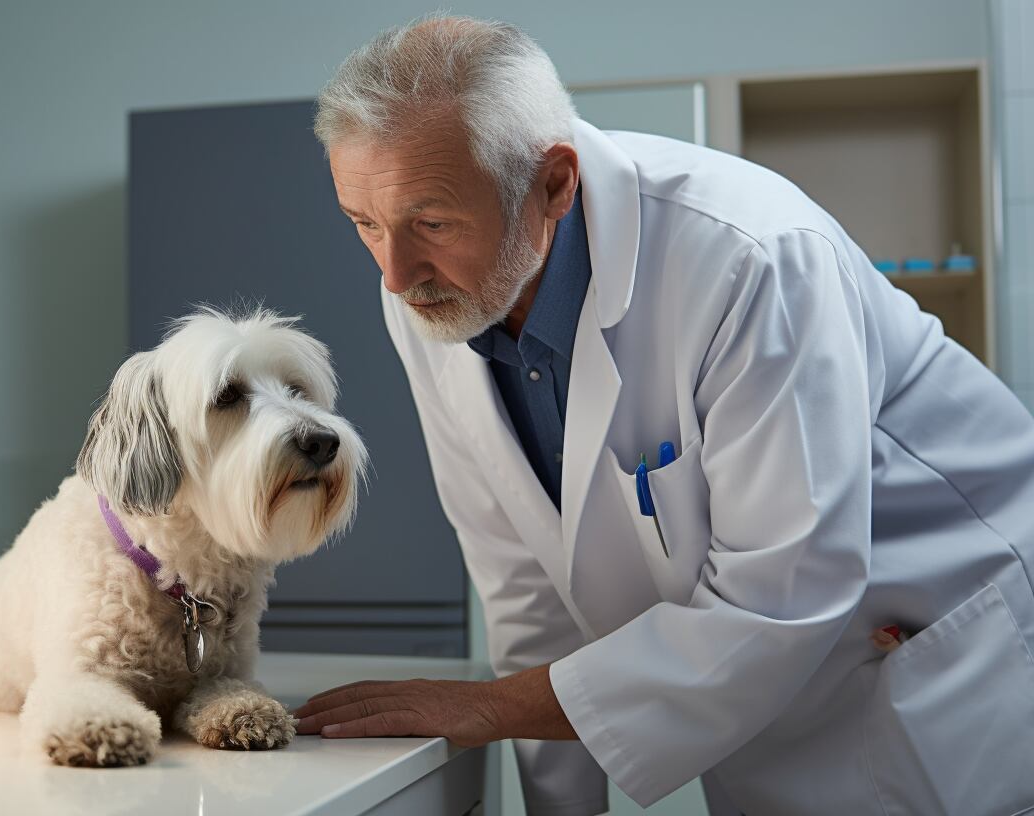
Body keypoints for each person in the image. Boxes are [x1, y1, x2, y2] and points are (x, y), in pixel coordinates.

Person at [293, 14, 1034, 816]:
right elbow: (527, 591)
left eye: (431, 223)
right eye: (363, 224)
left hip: (938, 657)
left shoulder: (751, 257)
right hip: (771, 694)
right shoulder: (437, 297)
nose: (396, 273)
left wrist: (491, 707)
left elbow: (782, 594)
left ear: (554, 184)